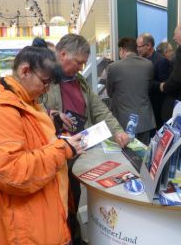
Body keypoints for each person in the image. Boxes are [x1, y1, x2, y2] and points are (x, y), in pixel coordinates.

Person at [0, 46, 83, 244]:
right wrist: (63, 149)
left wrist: (54, 129)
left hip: (40, 215)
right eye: (45, 81)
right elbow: (10, 171)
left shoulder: (26, 103)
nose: (47, 88)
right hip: (24, 227)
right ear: (25, 71)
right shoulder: (0, 112)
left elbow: (35, 145)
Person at [43, 33, 129, 244]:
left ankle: (73, 234)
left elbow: (100, 109)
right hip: (56, 152)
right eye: (79, 62)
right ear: (63, 54)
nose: (81, 68)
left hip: (81, 149)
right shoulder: (44, 78)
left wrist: (117, 130)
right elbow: (32, 109)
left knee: (73, 196)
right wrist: (51, 114)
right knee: (61, 200)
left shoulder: (79, 81)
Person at [106, 37, 155, 145]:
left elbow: (110, 93)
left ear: (122, 50)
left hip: (122, 120)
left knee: (125, 157)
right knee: (142, 155)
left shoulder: (113, 67)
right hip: (145, 119)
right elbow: (149, 87)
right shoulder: (148, 64)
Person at [153, 42, 175, 127]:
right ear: (166, 52)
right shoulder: (164, 61)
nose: (173, 52)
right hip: (162, 101)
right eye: (171, 50)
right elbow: (165, 80)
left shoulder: (157, 60)